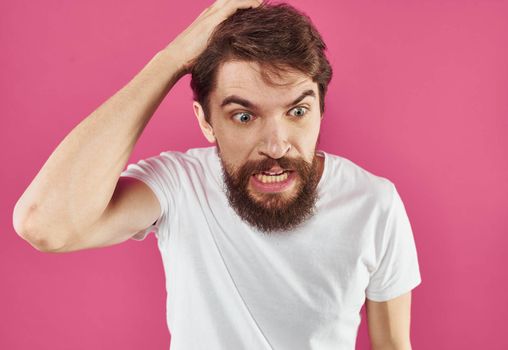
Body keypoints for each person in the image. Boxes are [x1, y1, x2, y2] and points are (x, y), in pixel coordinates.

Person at [13, 0, 422, 349]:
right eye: (243, 116)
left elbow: (392, 345)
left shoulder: (375, 204)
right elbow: (43, 224)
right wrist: (172, 60)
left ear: (320, 109)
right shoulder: (178, 186)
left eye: (297, 112)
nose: (276, 146)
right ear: (206, 121)